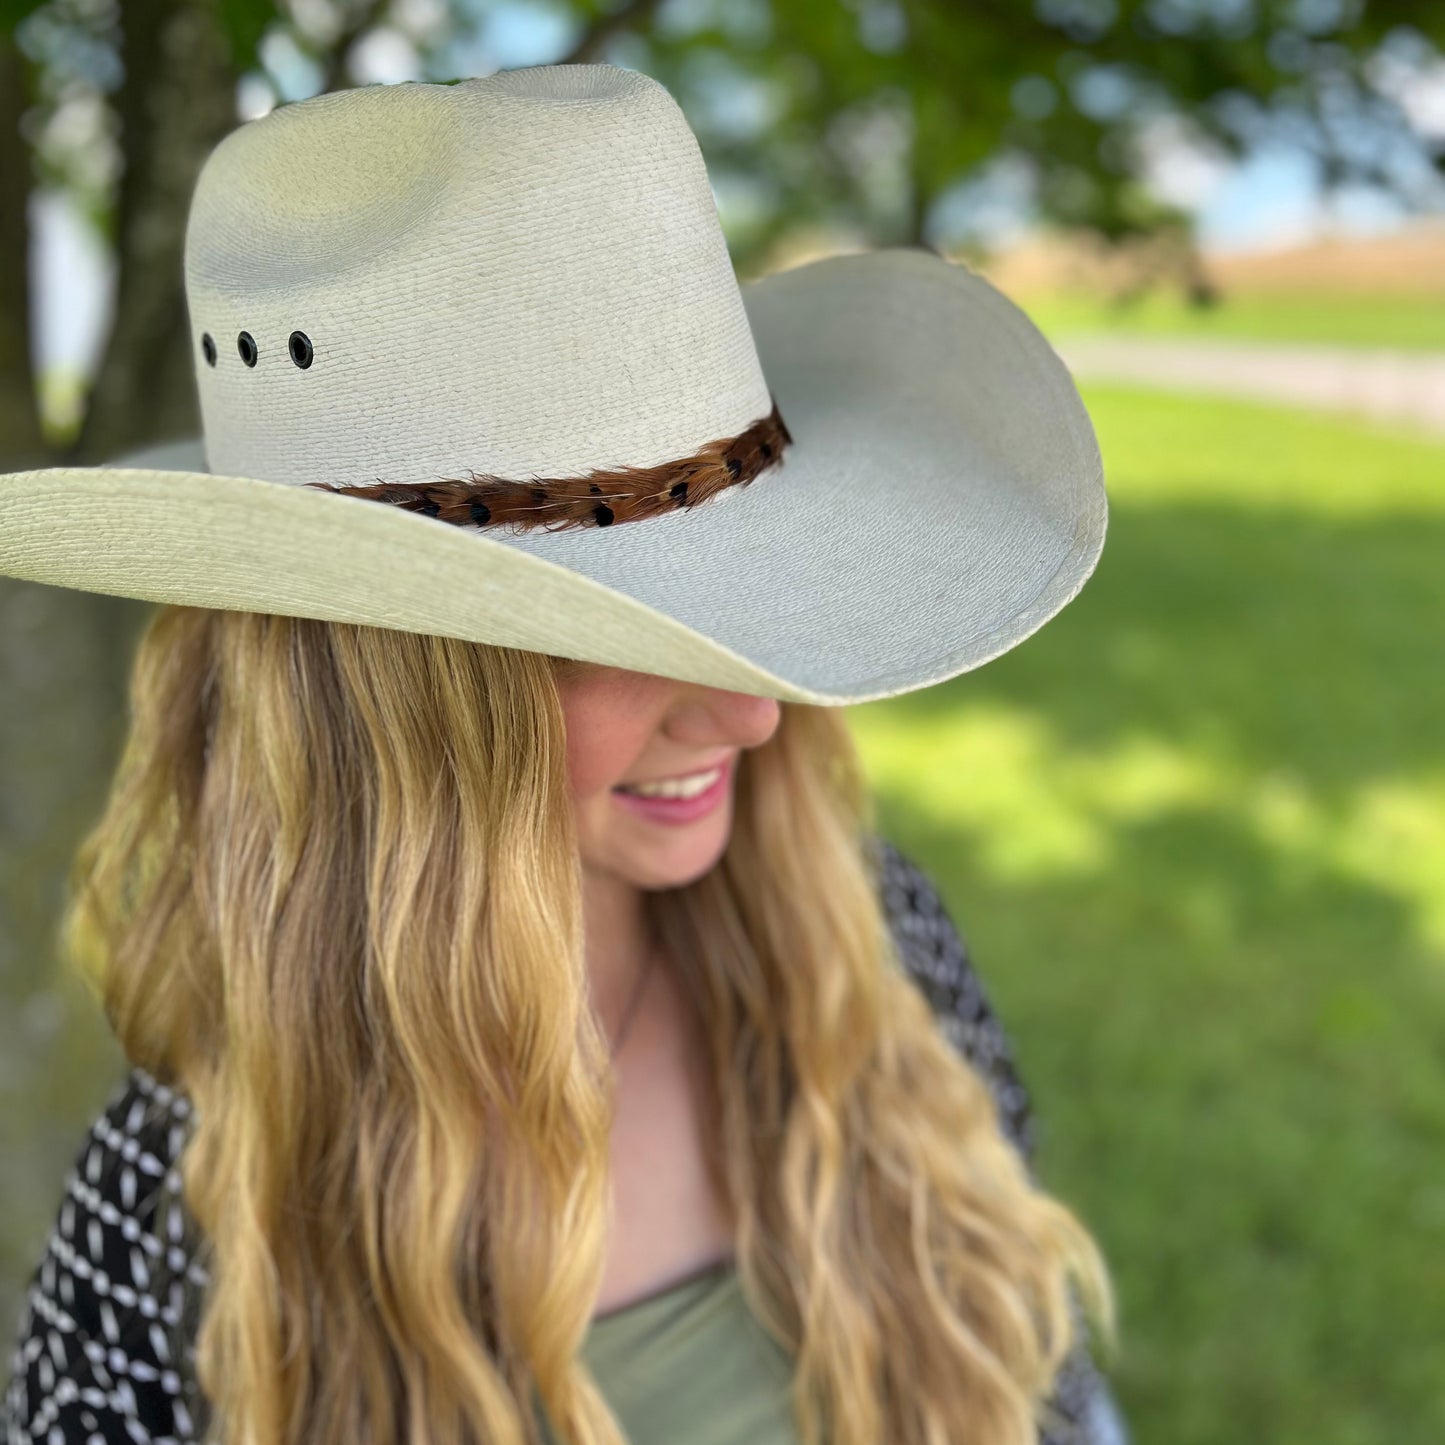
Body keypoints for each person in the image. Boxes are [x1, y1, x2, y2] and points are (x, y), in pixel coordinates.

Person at [0, 63, 1123, 1445]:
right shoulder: (199, 1199)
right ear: (392, 701)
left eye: (742, 594)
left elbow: (1050, 1396)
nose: (751, 714)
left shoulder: (866, 944)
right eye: (632, 628)